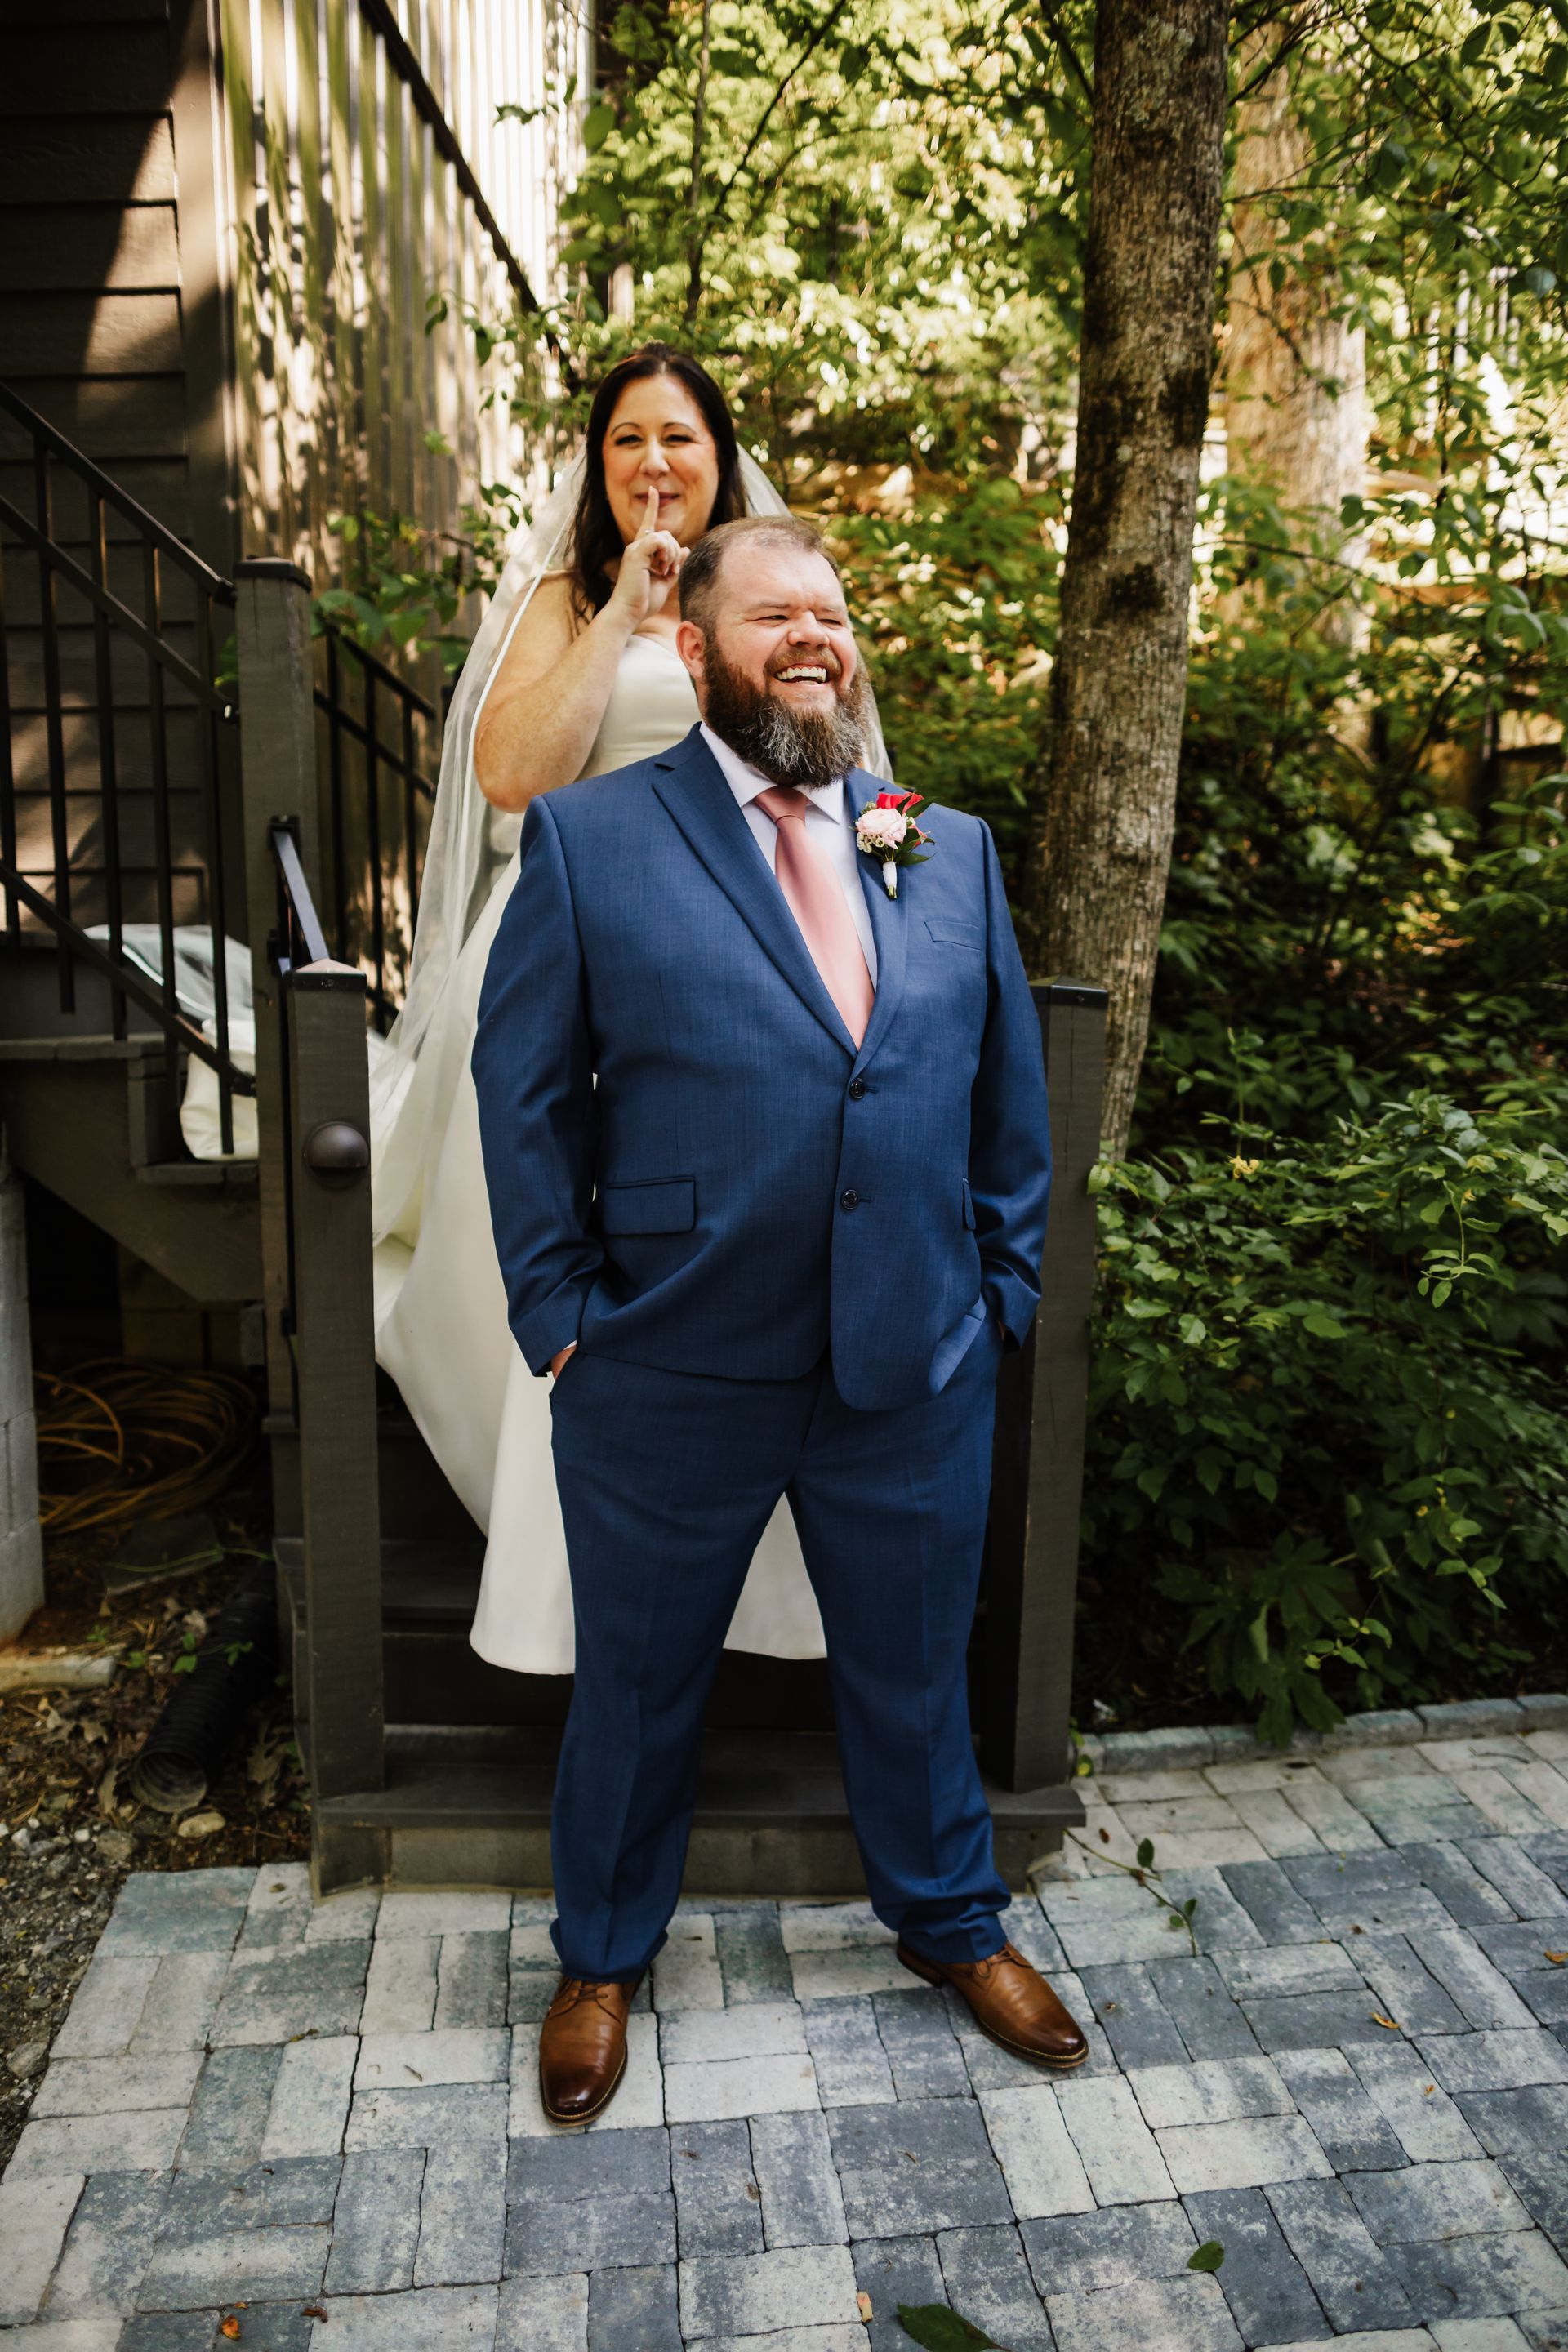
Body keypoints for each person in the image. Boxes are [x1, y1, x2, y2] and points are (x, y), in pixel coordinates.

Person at [472, 512, 1089, 2124]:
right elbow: (523, 1092)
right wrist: (559, 1310)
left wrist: (1001, 1293)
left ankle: (952, 1923)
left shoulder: (938, 843)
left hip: (915, 1356)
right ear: (696, 651)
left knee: (915, 1671)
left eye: (832, 611)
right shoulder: (594, 840)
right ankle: (603, 1956)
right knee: (637, 1685)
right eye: (774, 615)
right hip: (668, 1357)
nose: (815, 635)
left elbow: (1005, 1096)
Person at [369, 347, 885, 1673]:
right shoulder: (565, 599)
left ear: (721, 457)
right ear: (598, 468)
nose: (654, 462)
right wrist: (623, 619)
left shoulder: (779, 598)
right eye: (626, 441)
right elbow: (514, 779)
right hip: (574, 951)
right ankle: (567, 1585)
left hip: (746, 960)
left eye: (680, 438)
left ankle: (761, 1584)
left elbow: (840, 780)